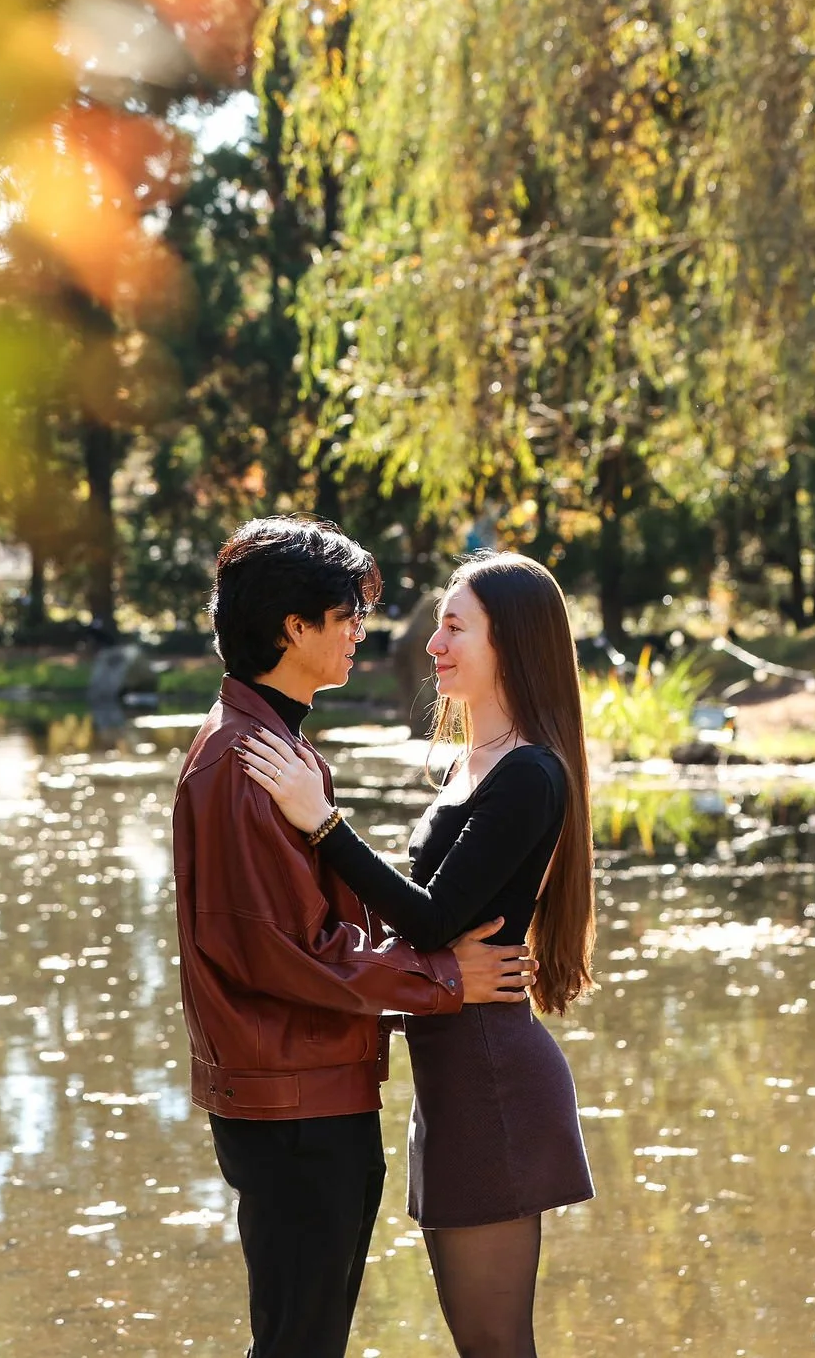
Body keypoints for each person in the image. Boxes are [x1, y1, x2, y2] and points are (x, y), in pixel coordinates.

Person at [172, 518, 538, 1358]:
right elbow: (284, 953)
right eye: (345, 616)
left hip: (307, 1088)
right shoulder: (243, 762)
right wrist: (445, 978)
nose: (359, 633)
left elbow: (316, 928)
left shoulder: (270, 744)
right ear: (293, 628)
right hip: (294, 1103)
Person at [237, 550, 598, 1358]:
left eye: (454, 625)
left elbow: (431, 920)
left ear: (513, 642)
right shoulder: (473, 765)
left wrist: (321, 822)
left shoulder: (530, 773)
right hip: (452, 1070)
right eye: (438, 623)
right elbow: (416, 925)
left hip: (490, 1076)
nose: (431, 642)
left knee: (496, 1344)